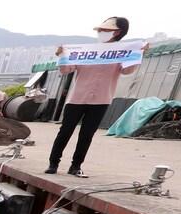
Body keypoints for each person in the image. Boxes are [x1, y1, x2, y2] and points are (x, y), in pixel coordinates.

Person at [49, 17, 145, 177]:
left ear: (117, 32)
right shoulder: (86, 50)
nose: (101, 33)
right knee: (65, 131)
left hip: (101, 100)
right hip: (76, 99)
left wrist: (138, 54)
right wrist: (62, 56)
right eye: (101, 30)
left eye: (106, 30)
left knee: (87, 135)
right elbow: (67, 69)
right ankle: (53, 163)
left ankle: (76, 166)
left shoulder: (121, 52)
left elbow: (127, 71)